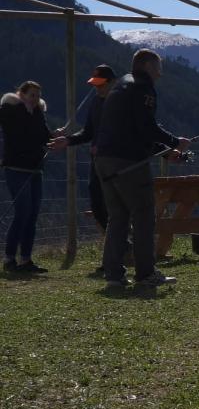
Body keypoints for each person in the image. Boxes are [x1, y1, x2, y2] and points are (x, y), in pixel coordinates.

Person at [94, 49, 190, 289]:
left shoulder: (122, 85)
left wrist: (167, 152)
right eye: (158, 67)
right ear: (147, 66)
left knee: (117, 217)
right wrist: (174, 141)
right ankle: (145, 273)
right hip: (128, 162)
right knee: (144, 214)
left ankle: (114, 275)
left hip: (105, 160)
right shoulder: (143, 88)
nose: (160, 74)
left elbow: (133, 129)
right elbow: (146, 127)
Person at [51, 65, 119, 276]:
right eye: (95, 85)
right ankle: (117, 251)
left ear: (111, 82)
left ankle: (116, 256)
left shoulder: (121, 103)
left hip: (117, 163)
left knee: (116, 209)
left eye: (100, 85)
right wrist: (68, 140)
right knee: (98, 206)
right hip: (97, 161)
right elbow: (88, 132)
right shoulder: (97, 102)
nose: (97, 89)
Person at [1, 81, 66, 273]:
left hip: (35, 168)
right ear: (21, 94)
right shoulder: (9, 110)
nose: (35, 99)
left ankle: (25, 259)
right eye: (32, 95)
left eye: (37, 95)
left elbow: (44, 136)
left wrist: (55, 135)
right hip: (15, 167)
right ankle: (10, 258)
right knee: (22, 212)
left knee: (32, 214)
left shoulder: (37, 113)